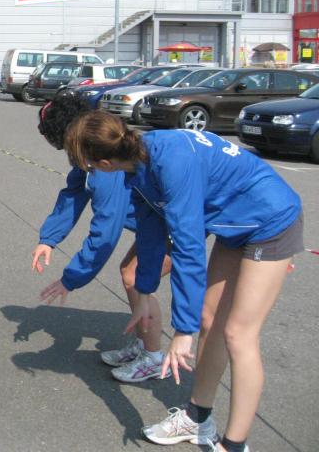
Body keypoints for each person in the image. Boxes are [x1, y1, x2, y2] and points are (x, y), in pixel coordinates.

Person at [65, 112, 303, 452]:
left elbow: (188, 248)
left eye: (87, 166)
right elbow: (150, 233)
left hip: (271, 222)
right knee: (209, 319)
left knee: (238, 334)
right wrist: (144, 293)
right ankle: (198, 418)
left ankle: (235, 445)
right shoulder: (137, 165)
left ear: (104, 163)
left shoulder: (170, 163)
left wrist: (182, 332)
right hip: (234, 225)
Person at [33, 96, 172, 383]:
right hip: (156, 221)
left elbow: (106, 231)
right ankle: (144, 344)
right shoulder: (88, 154)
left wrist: (71, 278)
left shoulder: (104, 166)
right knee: (130, 273)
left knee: (134, 276)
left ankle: (153, 358)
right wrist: (49, 238)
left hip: (172, 221)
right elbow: (73, 194)